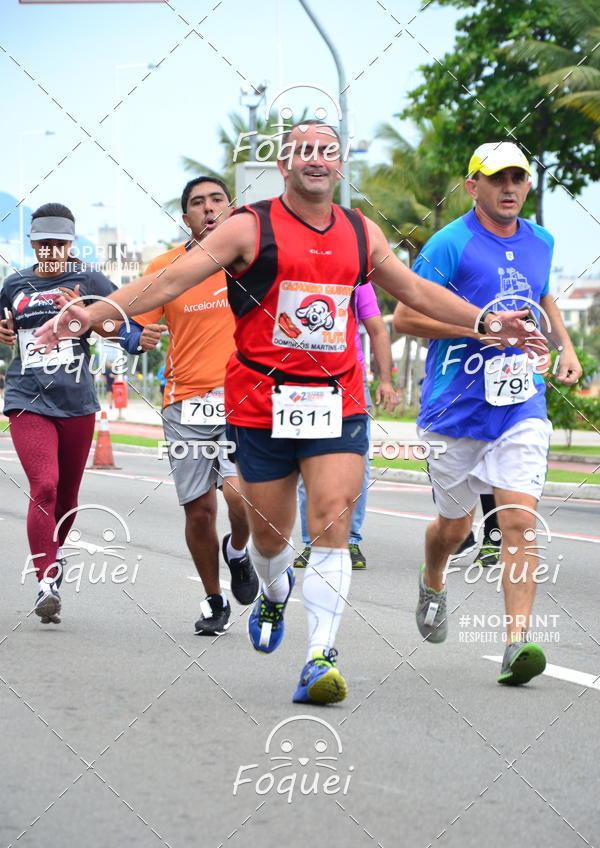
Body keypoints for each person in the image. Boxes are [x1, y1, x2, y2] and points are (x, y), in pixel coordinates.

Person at [36, 123, 540, 704]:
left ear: (340, 164)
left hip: (337, 399)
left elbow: (416, 292)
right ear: (284, 164)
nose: (317, 159)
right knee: (271, 538)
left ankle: (320, 655)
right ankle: (275, 592)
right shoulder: (250, 226)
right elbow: (169, 279)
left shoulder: (360, 231)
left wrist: (485, 321)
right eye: (305, 149)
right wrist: (92, 312)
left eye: (329, 150)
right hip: (260, 400)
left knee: (328, 518)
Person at [393, 142, 581, 685]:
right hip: (454, 407)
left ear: (528, 185)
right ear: (472, 186)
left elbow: (544, 298)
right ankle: (433, 574)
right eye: (497, 179)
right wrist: (481, 327)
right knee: (454, 528)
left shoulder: (541, 240)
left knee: (519, 521)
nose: (509, 188)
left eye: (518, 178)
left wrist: (563, 344)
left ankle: (516, 643)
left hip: (520, 404)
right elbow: (405, 316)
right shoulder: (449, 243)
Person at [118, 176, 258, 634]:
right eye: (198, 203)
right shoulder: (167, 267)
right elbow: (129, 327)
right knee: (199, 509)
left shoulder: (251, 261)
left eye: (217, 199)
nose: (208, 208)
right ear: (186, 218)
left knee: (240, 496)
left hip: (243, 399)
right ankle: (214, 600)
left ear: (231, 209)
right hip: (185, 404)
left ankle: (237, 550)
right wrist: (141, 338)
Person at [0, 202, 118, 625]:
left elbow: (118, 329)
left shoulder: (89, 279)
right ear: (32, 242)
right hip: (26, 396)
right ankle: (45, 580)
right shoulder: (14, 283)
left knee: (66, 500)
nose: (51, 249)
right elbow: (4, 327)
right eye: (43, 242)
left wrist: (89, 319)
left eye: (59, 242)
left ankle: (55, 553)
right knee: (44, 487)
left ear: (71, 242)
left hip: (77, 401)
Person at [294, 281, 397, 569]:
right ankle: (311, 540)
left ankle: (350, 539)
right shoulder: (294, 273)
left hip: (350, 382)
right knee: (308, 465)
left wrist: (385, 380)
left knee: (357, 465)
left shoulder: (357, 276)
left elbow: (377, 328)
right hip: (303, 383)